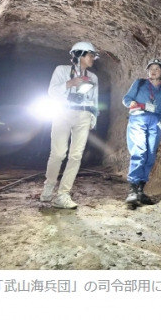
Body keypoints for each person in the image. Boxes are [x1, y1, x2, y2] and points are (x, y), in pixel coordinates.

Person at [40, 41, 100, 209]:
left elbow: (95, 100)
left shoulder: (93, 77)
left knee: (76, 156)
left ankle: (63, 195)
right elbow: (51, 92)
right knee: (58, 154)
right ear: (79, 55)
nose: (93, 58)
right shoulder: (62, 70)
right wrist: (70, 83)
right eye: (90, 55)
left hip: (84, 115)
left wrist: (93, 118)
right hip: (62, 113)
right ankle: (49, 185)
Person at [122, 58, 161, 207]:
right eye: (151, 68)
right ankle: (132, 189)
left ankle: (140, 190)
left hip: (156, 122)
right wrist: (130, 103)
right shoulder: (139, 83)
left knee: (150, 155)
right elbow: (126, 98)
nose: (153, 70)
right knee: (139, 151)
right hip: (138, 118)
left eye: (157, 68)